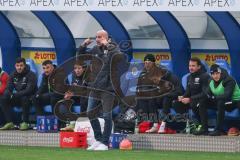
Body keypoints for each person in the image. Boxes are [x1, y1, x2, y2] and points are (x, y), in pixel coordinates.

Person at [77, 30, 122, 151]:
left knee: (107, 115)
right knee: (90, 113)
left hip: (108, 88)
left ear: (106, 38)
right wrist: (83, 46)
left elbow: (117, 55)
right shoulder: (95, 50)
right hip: (95, 87)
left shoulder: (113, 48)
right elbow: (80, 58)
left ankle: (105, 143)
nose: (97, 39)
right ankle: (98, 139)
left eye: (100, 37)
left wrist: (106, 44)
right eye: (96, 37)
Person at [136, 54, 183, 133]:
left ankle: (163, 125)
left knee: (166, 98)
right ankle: (152, 125)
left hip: (172, 99)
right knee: (150, 99)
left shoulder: (172, 78)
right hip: (160, 99)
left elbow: (179, 91)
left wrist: (166, 94)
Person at [175, 57, 210, 135]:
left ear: (199, 67)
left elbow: (205, 93)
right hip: (193, 100)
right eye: (190, 66)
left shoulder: (205, 76)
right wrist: (182, 97)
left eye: (193, 66)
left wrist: (190, 99)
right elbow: (188, 92)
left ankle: (204, 127)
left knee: (196, 103)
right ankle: (190, 125)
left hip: (204, 100)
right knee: (176, 103)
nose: (191, 68)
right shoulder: (189, 77)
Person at [0, 58, 37, 130]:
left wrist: (14, 95)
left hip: (29, 98)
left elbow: (29, 90)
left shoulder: (31, 75)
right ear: (15, 66)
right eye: (17, 65)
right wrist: (7, 93)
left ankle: (25, 122)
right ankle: (9, 122)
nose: (19, 67)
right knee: (3, 98)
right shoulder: (13, 74)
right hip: (17, 97)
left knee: (24, 98)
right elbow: (9, 87)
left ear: (25, 66)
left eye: (21, 65)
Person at [206, 64, 240, 136]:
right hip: (222, 101)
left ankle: (218, 130)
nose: (215, 76)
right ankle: (204, 128)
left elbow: (227, 96)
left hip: (235, 101)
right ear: (211, 75)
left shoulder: (229, 79)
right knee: (202, 102)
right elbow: (207, 93)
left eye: (217, 73)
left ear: (220, 73)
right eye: (213, 74)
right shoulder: (210, 81)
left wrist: (213, 97)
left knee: (221, 102)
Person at [60, 61, 89, 131]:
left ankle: (83, 123)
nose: (77, 70)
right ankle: (72, 123)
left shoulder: (88, 76)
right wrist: (68, 93)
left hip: (87, 97)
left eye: (79, 68)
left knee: (83, 99)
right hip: (77, 95)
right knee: (65, 101)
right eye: (75, 68)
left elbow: (87, 91)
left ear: (84, 69)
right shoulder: (73, 75)